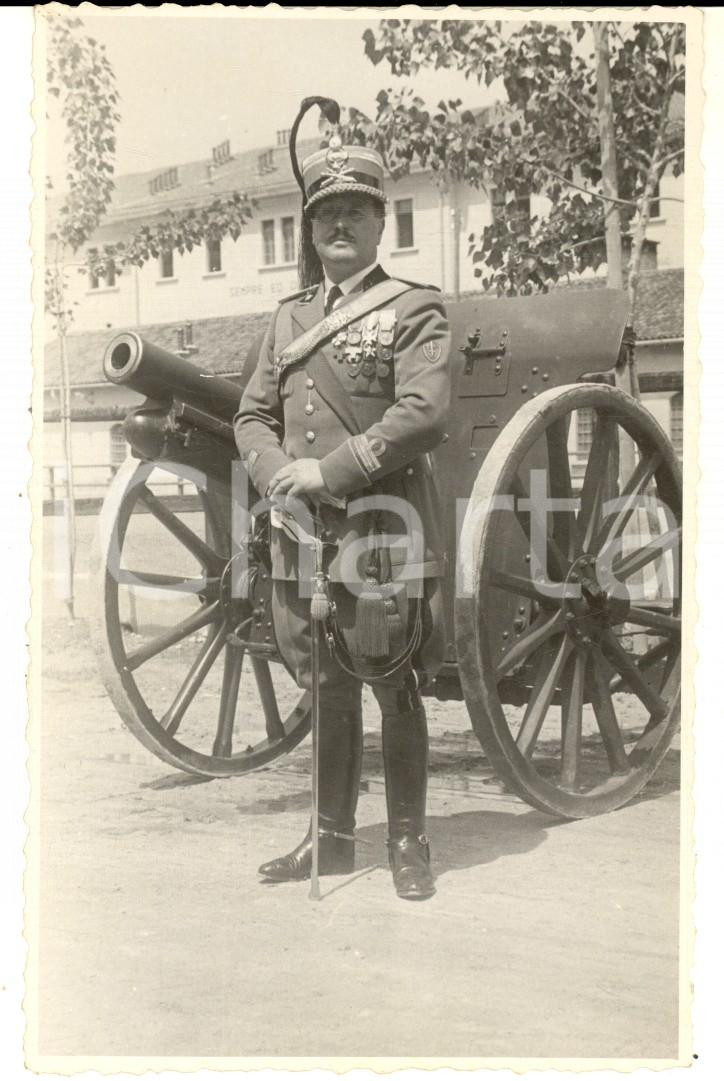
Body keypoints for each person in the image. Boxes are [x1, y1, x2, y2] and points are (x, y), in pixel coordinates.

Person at [234, 101, 451, 901]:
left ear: (378, 222)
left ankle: (407, 842)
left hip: (382, 527)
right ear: (311, 225)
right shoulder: (288, 318)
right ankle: (329, 840)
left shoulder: (412, 307)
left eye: (356, 212)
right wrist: (276, 475)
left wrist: (332, 469)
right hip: (305, 534)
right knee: (326, 687)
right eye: (327, 214)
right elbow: (250, 413)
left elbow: (424, 412)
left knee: (392, 683)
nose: (341, 226)